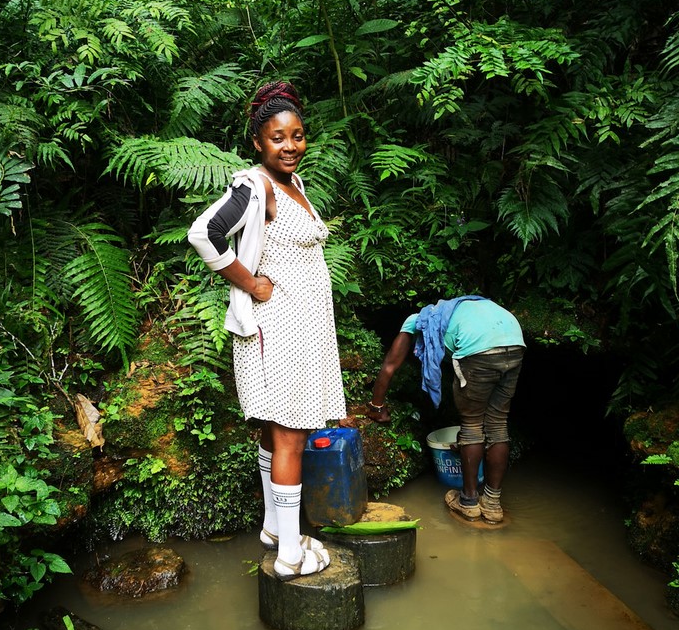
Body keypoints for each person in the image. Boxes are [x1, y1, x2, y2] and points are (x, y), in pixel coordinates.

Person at [187, 81, 346, 578]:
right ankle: (290, 557)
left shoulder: (292, 185)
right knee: (290, 438)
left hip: (303, 332)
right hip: (279, 333)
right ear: (259, 141)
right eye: (279, 137)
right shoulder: (254, 186)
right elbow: (203, 233)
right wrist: (251, 284)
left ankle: (275, 528)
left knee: (274, 433)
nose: (290, 146)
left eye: (298, 136)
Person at [367, 297, 525, 524]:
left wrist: (377, 407)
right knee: (498, 424)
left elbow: (390, 364)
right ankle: (492, 504)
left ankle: (468, 502)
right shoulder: (458, 311)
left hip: (478, 347)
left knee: (471, 426)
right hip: (514, 341)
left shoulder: (417, 320)